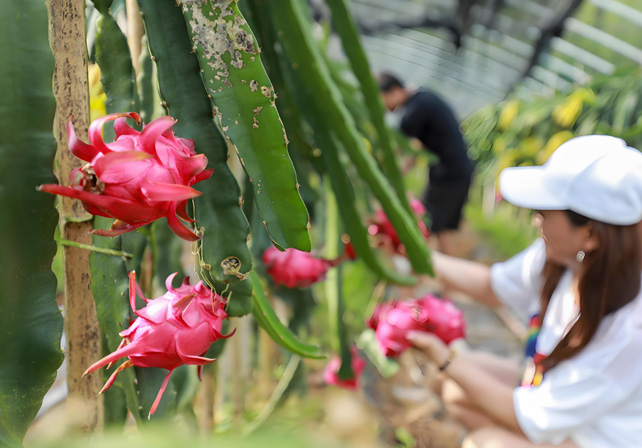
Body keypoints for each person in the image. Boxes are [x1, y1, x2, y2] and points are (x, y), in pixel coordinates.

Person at [406, 135, 642, 447]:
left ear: (589, 235)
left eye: (545, 212)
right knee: (456, 388)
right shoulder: (565, 259)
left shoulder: (629, 329)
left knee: (487, 442)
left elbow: (536, 421)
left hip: (596, 436)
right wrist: (412, 252)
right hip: (554, 396)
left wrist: (444, 359)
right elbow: (494, 285)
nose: (535, 220)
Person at [378, 73, 474, 257]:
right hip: (455, 172)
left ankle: (421, 276)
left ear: (396, 91)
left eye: (383, 99)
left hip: (448, 175)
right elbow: (417, 148)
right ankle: (441, 279)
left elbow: (399, 146)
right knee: (440, 228)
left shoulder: (417, 108)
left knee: (429, 226)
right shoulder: (423, 99)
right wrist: (401, 171)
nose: (384, 106)